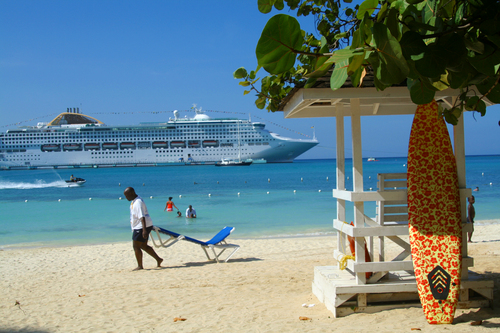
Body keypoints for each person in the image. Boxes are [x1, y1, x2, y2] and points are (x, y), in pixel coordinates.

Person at [124, 187, 163, 271]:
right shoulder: (135, 200)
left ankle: (140, 266)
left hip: (141, 226)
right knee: (143, 245)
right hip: (142, 226)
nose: (126, 197)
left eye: (126, 195)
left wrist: (144, 230)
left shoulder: (138, 202)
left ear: (132, 193)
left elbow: (142, 217)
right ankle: (158, 259)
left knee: (136, 246)